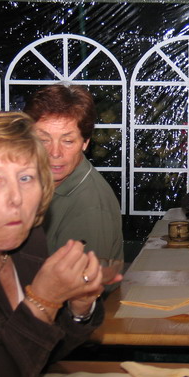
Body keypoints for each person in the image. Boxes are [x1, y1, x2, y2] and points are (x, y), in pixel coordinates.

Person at [0, 112, 120, 377]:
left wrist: (78, 308)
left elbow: (39, 353)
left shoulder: (27, 243)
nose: (15, 197)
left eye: (26, 178)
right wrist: (43, 301)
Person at [23, 85, 123, 263]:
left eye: (68, 141)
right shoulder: (30, 183)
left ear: (85, 142)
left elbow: (79, 280)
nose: (55, 153)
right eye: (43, 140)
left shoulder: (89, 208)